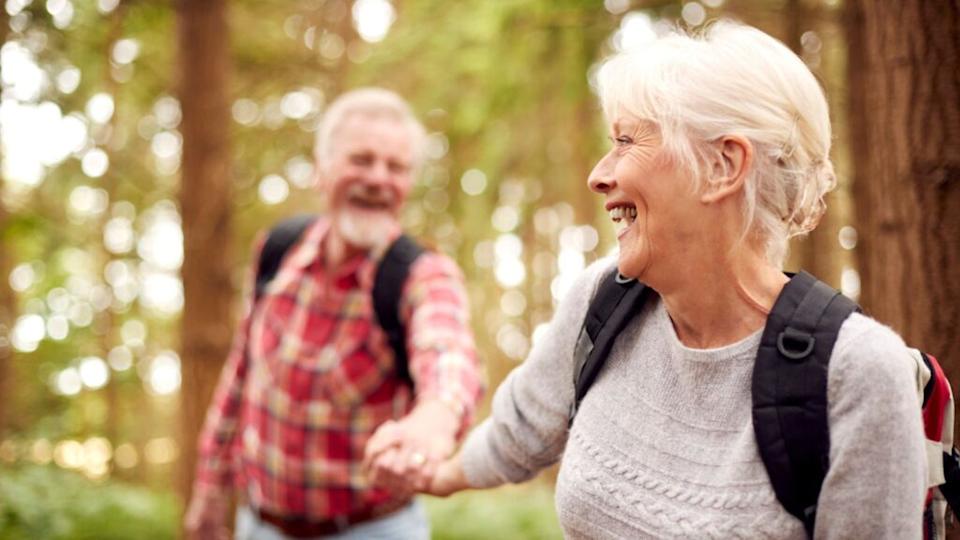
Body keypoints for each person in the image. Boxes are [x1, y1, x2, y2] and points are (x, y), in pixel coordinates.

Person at [405, 22, 927, 539]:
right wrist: (434, 473)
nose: (598, 175)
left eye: (626, 142)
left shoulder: (859, 373)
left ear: (724, 165)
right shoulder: (603, 300)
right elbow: (521, 430)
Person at [184, 88, 483, 540]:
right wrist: (209, 489)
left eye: (396, 167)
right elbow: (241, 373)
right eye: (361, 160)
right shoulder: (277, 251)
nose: (378, 178)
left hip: (373, 529)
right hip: (259, 525)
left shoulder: (421, 276)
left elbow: (448, 355)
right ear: (320, 171)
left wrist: (433, 421)